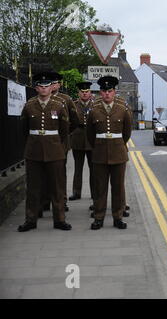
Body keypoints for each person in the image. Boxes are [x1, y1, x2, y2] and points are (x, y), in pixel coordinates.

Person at [18, 73, 72, 232]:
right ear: (36, 88)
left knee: (57, 188)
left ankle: (59, 219)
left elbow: (64, 130)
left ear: (51, 88)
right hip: (34, 152)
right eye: (40, 86)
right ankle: (30, 220)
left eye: (47, 86)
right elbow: (24, 130)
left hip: (54, 151)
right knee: (33, 188)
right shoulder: (29, 105)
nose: (43, 89)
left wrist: (56, 145)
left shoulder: (59, 105)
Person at [87, 76, 132, 230]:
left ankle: (117, 217)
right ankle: (98, 217)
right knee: (100, 187)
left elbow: (127, 132)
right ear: (100, 92)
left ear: (114, 92)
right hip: (99, 153)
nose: (107, 94)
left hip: (118, 153)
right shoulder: (94, 110)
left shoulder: (122, 109)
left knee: (118, 187)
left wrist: (119, 144)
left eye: (110, 91)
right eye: (104, 91)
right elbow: (90, 134)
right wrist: (98, 146)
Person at [40, 72, 78, 214]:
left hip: (61, 143)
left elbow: (74, 121)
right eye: (52, 83)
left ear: (59, 85)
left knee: (59, 174)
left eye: (56, 83)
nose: (54, 85)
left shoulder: (66, 99)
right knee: (43, 173)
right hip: (43, 143)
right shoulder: (39, 99)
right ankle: (44, 201)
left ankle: (61, 201)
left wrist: (65, 134)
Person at [69, 82, 95, 205]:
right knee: (78, 168)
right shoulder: (73, 105)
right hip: (78, 139)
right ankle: (76, 192)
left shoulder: (95, 105)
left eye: (87, 92)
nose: (84, 94)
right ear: (79, 93)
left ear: (90, 93)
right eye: (82, 92)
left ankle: (94, 193)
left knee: (93, 168)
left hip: (91, 140)